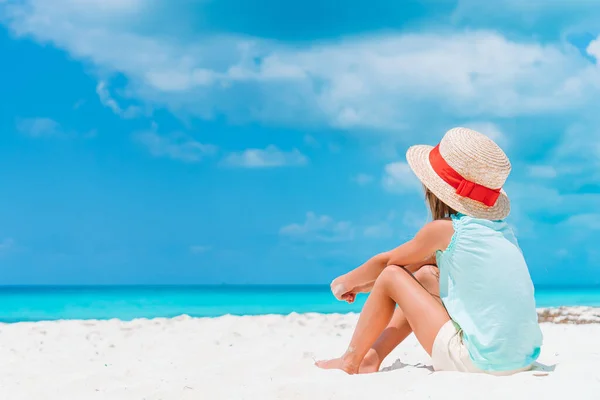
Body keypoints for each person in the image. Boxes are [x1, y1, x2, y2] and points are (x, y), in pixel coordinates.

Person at [316, 127, 543, 375]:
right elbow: (416, 268)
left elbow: (387, 265)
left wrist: (344, 282)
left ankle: (350, 361)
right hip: (522, 358)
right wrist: (365, 286)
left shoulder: (444, 230)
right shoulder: (500, 232)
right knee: (425, 276)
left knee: (391, 274)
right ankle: (371, 358)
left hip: (481, 362)